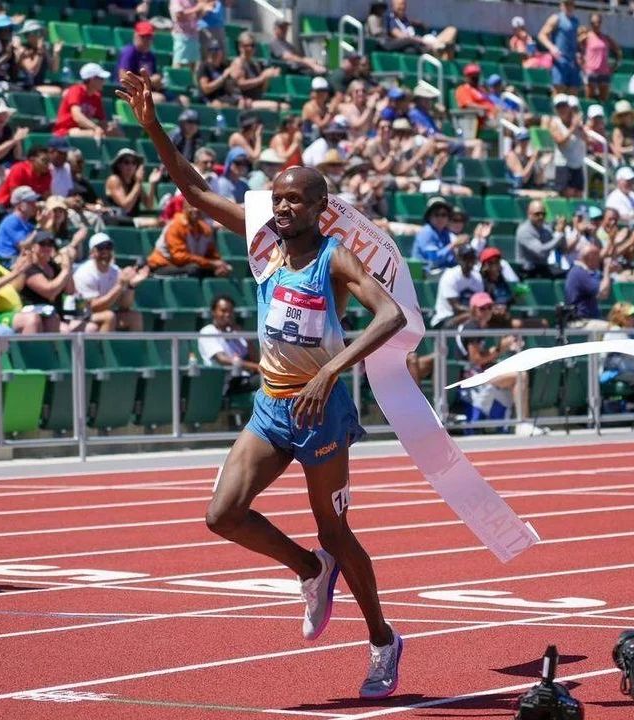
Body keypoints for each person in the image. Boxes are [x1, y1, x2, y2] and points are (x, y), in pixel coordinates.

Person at [118, 67, 406, 698]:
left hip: (322, 412)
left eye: (296, 199)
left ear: (321, 208)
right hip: (273, 407)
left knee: (337, 531)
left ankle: (382, 639)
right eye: (277, 197)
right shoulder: (264, 246)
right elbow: (196, 191)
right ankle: (308, 569)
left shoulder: (335, 258)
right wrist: (154, 126)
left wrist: (330, 371)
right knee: (222, 514)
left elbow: (391, 315)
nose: (282, 207)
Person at [455, 291, 543, 436]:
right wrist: (500, 348)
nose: (487, 311)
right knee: (520, 376)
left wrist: (503, 348)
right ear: (474, 309)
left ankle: (520, 422)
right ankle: (522, 423)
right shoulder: (472, 327)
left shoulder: (478, 326)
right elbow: (476, 359)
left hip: (479, 372)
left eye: (489, 307)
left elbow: (483, 355)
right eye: (482, 308)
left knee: (519, 371)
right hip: (471, 377)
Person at [21, 230, 95, 333]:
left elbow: (70, 290)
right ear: (33, 247)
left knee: (91, 328)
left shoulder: (54, 266)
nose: (47, 248)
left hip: (58, 316)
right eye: (42, 244)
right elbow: (50, 293)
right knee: (64, 330)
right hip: (38, 316)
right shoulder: (29, 267)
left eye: (50, 244)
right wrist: (65, 270)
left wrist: (68, 263)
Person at [73, 232, 148, 332]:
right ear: (91, 253)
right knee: (109, 316)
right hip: (81, 315)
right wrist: (119, 285)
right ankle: (105, 343)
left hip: (103, 312)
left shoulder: (116, 271)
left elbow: (124, 306)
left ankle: (136, 343)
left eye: (108, 247)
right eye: (100, 248)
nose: (105, 252)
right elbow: (94, 307)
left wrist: (131, 285)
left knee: (135, 317)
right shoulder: (85, 273)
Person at [147, 199, 232, 277]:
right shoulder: (175, 226)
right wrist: (211, 263)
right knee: (194, 270)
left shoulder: (205, 229)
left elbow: (211, 254)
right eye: (192, 207)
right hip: (163, 265)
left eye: (199, 207)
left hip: (186, 265)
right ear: (184, 208)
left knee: (217, 271)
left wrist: (221, 265)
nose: (196, 209)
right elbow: (179, 257)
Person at [198, 294, 260, 396]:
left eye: (230, 311)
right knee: (264, 380)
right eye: (223, 311)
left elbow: (256, 359)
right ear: (213, 312)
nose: (227, 314)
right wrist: (256, 367)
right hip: (224, 382)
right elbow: (222, 359)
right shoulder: (208, 331)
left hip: (243, 378)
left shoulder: (235, 333)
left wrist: (244, 337)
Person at [53, 63, 120, 139]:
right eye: (101, 78)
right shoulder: (76, 90)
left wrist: (110, 127)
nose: (104, 81)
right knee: (96, 135)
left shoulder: (96, 96)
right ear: (92, 79)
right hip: (65, 131)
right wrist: (95, 128)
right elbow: (77, 116)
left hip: (83, 129)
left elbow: (102, 121)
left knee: (114, 130)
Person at [430, 244, 483, 329]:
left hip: (471, 316)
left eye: (472, 257)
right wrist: (478, 311)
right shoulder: (450, 276)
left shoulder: (477, 277)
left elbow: (480, 301)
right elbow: (456, 307)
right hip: (446, 318)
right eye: (466, 257)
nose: (469, 260)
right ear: (459, 259)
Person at [105, 147, 162, 225]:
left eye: (134, 163)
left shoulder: (135, 182)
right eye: (126, 162)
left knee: (160, 222)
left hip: (132, 220)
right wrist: (138, 182)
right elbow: (126, 207)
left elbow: (149, 206)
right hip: (116, 221)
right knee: (155, 222)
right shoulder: (114, 180)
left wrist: (152, 184)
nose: (130, 165)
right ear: (118, 165)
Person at [229, 31, 284, 111]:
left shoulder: (255, 64)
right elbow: (241, 84)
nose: (250, 48)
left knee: (285, 106)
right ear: (240, 46)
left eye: (252, 45)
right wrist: (262, 78)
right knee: (276, 107)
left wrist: (268, 77)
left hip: (256, 100)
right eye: (247, 46)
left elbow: (263, 89)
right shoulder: (238, 63)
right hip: (244, 101)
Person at [384, 0, 457, 59]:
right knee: (445, 47)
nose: (402, 7)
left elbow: (412, 23)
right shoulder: (391, 19)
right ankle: (440, 49)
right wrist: (421, 40)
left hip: (427, 42)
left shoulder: (405, 20)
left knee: (451, 30)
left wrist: (421, 24)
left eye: (404, 4)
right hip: (420, 44)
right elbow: (401, 36)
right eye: (399, 4)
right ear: (393, 6)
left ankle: (440, 48)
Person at [538, 0, 582, 95]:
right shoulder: (556, 18)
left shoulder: (576, 21)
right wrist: (551, 47)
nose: (568, 7)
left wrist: (579, 53)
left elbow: (575, 40)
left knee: (573, 91)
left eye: (570, 4)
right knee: (558, 90)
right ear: (561, 5)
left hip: (572, 61)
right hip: (560, 60)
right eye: (566, 4)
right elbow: (542, 35)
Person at [117, 20, 165, 104]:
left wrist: (157, 80)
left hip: (147, 91)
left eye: (149, 37)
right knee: (159, 99)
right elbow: (123, 76)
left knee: (183, 99)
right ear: (135, 36)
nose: (146, 40)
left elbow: (154, 77)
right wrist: (147, 81)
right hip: (131, 92)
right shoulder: (129, 52)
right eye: (143, 36)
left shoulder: (151, 55)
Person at [516, 200, 567, 278]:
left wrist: (561, 232)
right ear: (529, 214)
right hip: (527, 271)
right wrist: (559, 238)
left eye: (543, 214)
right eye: (537, 214)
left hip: (543, 268)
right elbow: (540, 251)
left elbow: (562, 250)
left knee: (567, 274)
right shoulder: (524, 230)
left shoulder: (546, 229)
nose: (541, 217)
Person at [564, 243, 612, 323]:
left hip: (590, 319)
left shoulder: (586, 272)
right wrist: (607, 270)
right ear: (590, 257)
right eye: (597, 257)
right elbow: (603, 293)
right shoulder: (579, 272)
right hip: (581, 321)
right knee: (613, 329)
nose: (599, 260)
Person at [549, 93, 585, 198]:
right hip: (563, 164)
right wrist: (573, 128)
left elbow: (588, 140)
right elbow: (561, 142)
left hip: (577, 164)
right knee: (567, 195)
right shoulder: (554, 123)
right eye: (559, 107)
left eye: (564, 106)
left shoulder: (577, 123)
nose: (562, 109)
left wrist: (580, 128)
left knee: (578, 195)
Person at [411, 197, 458, 274]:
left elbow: (449, 260)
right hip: (424, 274)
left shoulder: (445, 232)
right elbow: (433, 260)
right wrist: (452, 245)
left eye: (444, 215)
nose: (440, 218)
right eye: (436, 214)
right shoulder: (427, 232)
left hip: (441, 272)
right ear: (429, 216)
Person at [579, 12, 620, 101]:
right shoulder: (586, 37)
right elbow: (577, 49)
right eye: (593, 23)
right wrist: (582, 64)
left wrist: (614, 66)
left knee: (603, 100)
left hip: (604, 72)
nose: (596, 25)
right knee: (589, 99)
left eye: (598, 22)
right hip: (591, 72)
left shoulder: (606, 38)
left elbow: (617, 51)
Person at [15, 18, 62, 95]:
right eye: (36, 33)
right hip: (26, 86)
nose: (40, 36)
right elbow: (32, 71)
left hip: (39, 85)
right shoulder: (23, 50)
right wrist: (39, 52)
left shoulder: (44, 50)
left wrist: (56, 53)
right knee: (57, 91)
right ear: (28, 36)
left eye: (40, 33)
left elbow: (54, 69)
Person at [0, 185, 39, 262]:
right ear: (19, 205)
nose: (34, 205)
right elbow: (24, 246)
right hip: (7, 261)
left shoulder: (28, 224)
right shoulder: (11, 221)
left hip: (21, 260)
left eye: (34, 201)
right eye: (30, 202)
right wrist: (40, 227)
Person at [454, 64, 498, 128]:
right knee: (506, 121)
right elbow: (468, 105)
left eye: (477, 76)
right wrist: (485, 108)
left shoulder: (481, 89)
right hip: (481, 119)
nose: (476, 79)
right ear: (466, 77)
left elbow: (491, 103)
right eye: (473, 77)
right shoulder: (462, 89)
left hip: (494, 116)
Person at [197, 40, 237, 106]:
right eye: (211, 50)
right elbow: (206, 89)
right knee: (221, 105)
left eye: (217, 50)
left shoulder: (224, 67)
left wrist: (233, 78)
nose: (214, 52)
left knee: (242, 102)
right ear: (208, 52)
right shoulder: (204, 66)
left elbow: (230, 89)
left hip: (224, 97)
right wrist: (223, 77)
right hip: (209, 99)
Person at [610, 100, 634, 164]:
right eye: (621, 115)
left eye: (626, 114)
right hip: (628, 161)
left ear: (631, 114)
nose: (624, 117)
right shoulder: (618, 131)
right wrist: (632, 149)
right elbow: (617, 150)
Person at [169, 0, 202, 69]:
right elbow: (178, 15)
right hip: (182, 36)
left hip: (194, 35)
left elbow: (197, 16)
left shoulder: (193, 1)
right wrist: (196, 8)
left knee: (194, 64)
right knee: (178, 63)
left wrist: (202, 8)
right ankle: (176, 76)